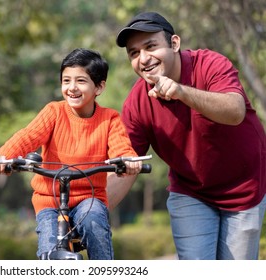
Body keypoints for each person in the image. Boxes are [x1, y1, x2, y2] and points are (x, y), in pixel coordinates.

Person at [108, 11, 266, 260]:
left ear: (174, 43)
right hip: (191, 190)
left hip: (244, 187)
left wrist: (181, 92)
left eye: (151, 46)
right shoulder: (137, 102)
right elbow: (126, 165)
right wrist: (90, 213)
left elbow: (235, 111)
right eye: (134, 53)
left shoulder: (211, 64)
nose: (143, 58)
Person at [0, 48, 143, 260]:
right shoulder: (54, 112)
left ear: (99, 87)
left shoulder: (110, 119)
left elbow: (120, 147)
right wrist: (3, 157)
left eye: (80, 81)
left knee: (95, 222)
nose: (72, 88)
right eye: (66, 81)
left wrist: (126, 160)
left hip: (89, 197)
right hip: (49, 200)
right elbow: (28, 136)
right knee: (49, 248)